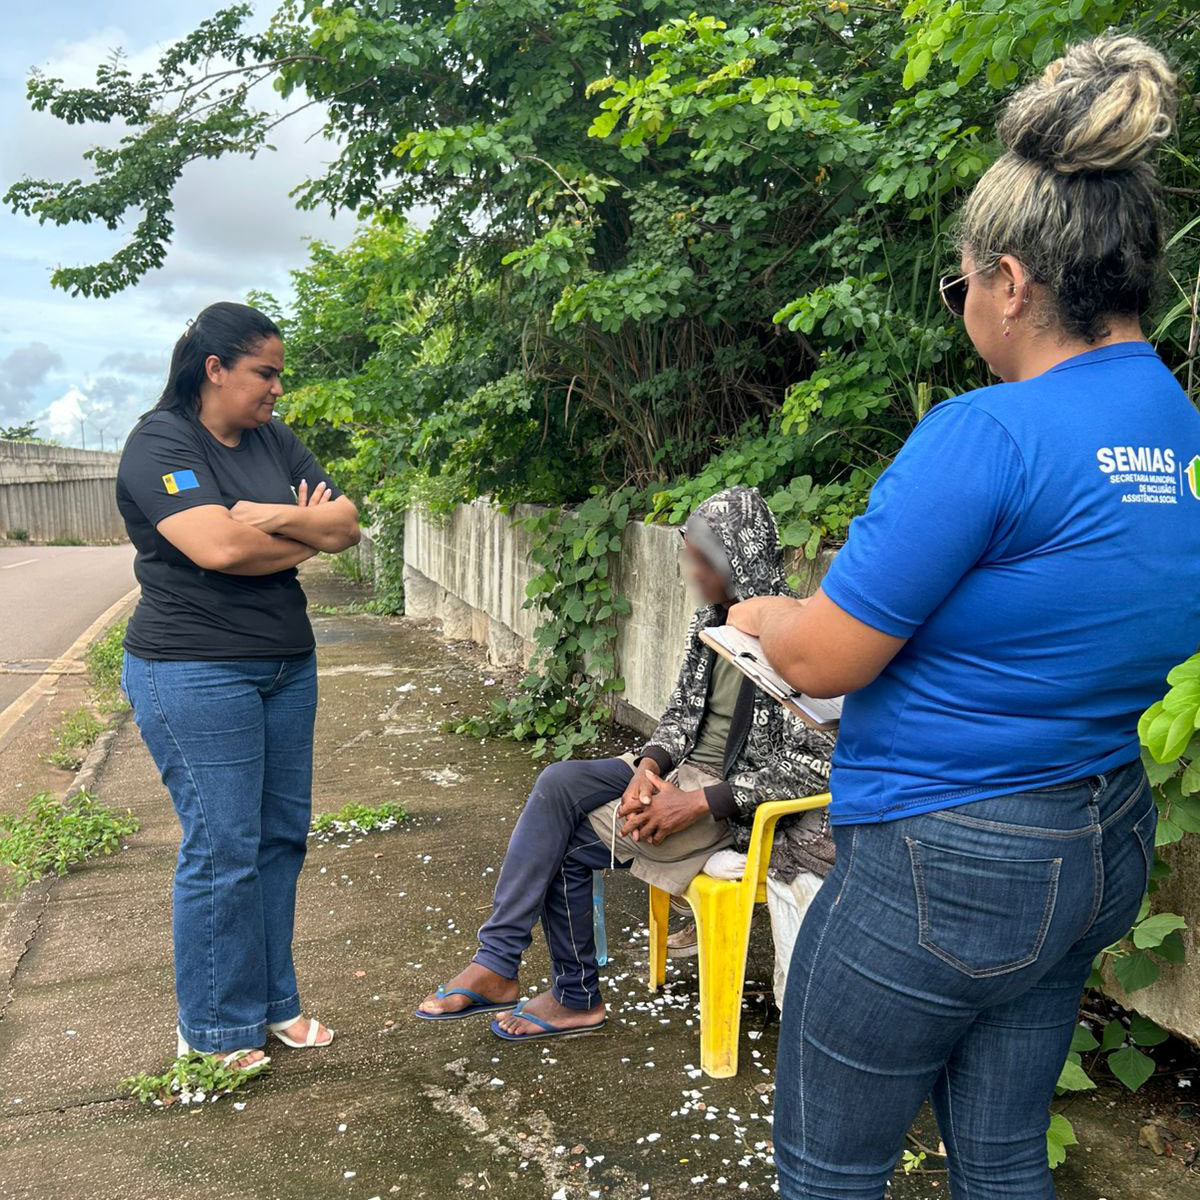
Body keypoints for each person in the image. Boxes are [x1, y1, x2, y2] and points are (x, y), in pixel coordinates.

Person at [727, 35, 1200, 1199]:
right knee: (997, 1158)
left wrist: (765, 608)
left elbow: (829, 656)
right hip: (1099, 841)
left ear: (1011, 278)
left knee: (828, 1167)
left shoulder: (986, 433)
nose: (965, 312)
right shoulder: (1179, 426)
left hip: (947, 857)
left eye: (961, 287)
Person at [417, 486, 834, 1039]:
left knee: (563, 847)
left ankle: (572, 996)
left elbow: (817, 764)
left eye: (700, 557)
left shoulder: (799, 635)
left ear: (737, 556)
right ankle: (499, 961)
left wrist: (697, 803)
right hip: (680, 776)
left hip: (731, 808)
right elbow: (681, 715)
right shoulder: (711, 621)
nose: (689, 568)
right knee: (559, 781)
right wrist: (649, 768)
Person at [117, 301, 361, 1071]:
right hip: (194, 667)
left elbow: (348, 525)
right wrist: (298, 530)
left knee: (280, 841)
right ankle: (215, 1027)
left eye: (279, 375)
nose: (276, 390)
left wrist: (272, 518)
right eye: (265, 373)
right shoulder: (161, 442)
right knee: (225, 847)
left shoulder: (272, 438)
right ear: (215, 368)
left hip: (287, 665)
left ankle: (273, 1004)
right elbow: (218, 548)